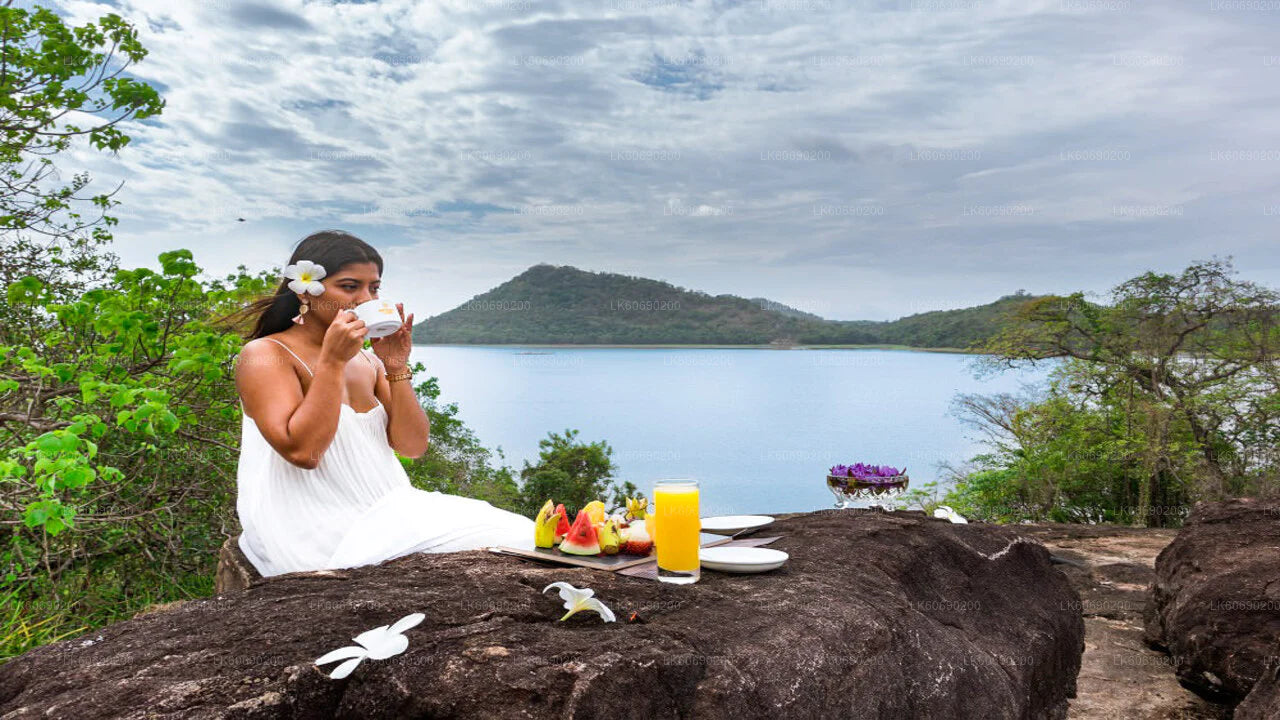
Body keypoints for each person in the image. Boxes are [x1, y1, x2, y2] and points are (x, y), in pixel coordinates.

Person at [227, 230, 533, 577]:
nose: (364, 299)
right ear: (305, 290)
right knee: (515, 539)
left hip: (387, 509)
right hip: (311, 525)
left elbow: (412, 446)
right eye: (349, 286)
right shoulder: (265, 355)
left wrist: (396, 367)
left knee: (523, 534)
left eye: (374, 288)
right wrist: (332, 362)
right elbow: (303, 453)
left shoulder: (368, 362)